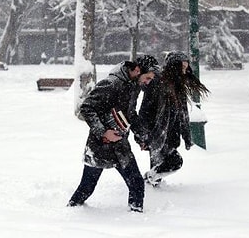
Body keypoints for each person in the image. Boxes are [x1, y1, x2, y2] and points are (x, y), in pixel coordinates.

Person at [68, 55, 159, 212]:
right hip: (100, 146)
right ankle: (71, 212)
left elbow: (130, 114)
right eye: (147, 77)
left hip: (121, 147)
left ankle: (136, 220)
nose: (148, 82)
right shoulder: (111, 84)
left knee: (137, 183)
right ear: (137, 70)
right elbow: (87, 108)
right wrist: (103, 132)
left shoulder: (134, 86)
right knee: (87, 187)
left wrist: (141, 137)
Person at [138, 51, 209, 187]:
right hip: (157, 133)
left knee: (163, 165)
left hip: (170, 134)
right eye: (182, 67)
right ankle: (149, 183)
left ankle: (150, 183)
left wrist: (186, 136)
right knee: (173, 162)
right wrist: (143, 136)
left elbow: (183, 114)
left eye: (186, 67)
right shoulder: (157, 83)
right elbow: (145, 111)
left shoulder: (177, 85)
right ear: (173, 67)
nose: (184, 70)